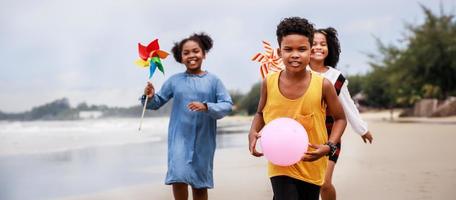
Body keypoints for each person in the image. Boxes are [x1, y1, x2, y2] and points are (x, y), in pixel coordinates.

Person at [248, 17, 347, 200]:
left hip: (312, 161)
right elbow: (260, 113)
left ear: (311, 51)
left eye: (302, 49)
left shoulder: (323, 85)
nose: (295, 54)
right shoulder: (268, 82)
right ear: (279, 52)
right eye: (288, 49)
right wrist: (253, 132)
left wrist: (329, 146)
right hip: (280, 163)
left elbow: (340, 118)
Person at [141, 33, 233, 200]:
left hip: (204, 140)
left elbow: (227, 105)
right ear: (180, 57)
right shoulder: (174, 81)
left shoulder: (214, 81)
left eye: (196, 51)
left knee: (200, 183)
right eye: (186, 53)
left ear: (204, 54)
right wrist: (150, 96)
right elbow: (156, 102)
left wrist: (206, 106)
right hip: (179, 138)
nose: (191, 56)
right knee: (179, 176)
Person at [309, 27, 374, 200]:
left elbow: (348, 105)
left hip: (330, 135)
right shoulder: (298, 74)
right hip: (304, 135)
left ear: (330, 48)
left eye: (323, 44)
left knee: (324, 182)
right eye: (313, 43)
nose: (318, 47)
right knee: (308, 183)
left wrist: (362, 129)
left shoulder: (335, 77)